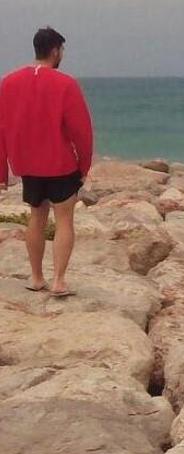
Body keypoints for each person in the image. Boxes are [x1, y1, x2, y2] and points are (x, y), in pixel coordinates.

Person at [0, 27, 93, 297]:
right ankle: (59, 281)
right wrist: (84, 165)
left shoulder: (8, 82)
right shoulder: (65, 84)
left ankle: (36, 277)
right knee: (64, 221)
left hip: (28, 165)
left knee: (36, 218)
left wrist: (2, 172)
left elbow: (2, 128)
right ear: (55, 50)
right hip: (60, 164)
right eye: (62, 50)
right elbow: (81, 130)